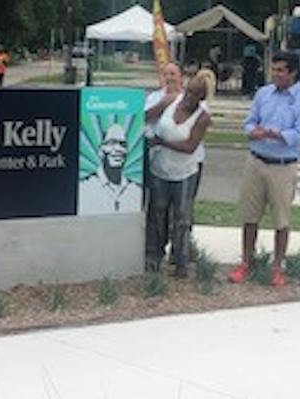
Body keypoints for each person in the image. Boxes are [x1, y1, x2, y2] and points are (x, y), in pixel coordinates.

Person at [229, 51, 300, 287]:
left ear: (293, 72)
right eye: (274, 70)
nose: (275, 74)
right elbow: (249, 122)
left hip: (283, 166)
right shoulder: (263, 93)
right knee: (249, 216)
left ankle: (278, 267)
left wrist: (274, 134)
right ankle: (246, 262)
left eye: (280, 70)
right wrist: (252, 131)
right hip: (257, 160)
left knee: (281, 219)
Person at [145, 74, 212, 275]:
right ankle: (153, 256)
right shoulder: (171, 101)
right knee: (157, 212)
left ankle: (181, 261)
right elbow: (147, 115)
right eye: (188, 92)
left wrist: (162, 142)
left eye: (194, 95)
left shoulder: (202, 117)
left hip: (185, 172)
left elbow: (190, 146)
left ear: (201, 98)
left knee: (182, 217)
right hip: (160, 168)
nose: (188, 98)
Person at [78, 123, 139, 213]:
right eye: (111, 143)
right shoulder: (85, 188)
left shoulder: (135, 190)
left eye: (123, 144)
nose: (118, 149)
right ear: (101, 151)